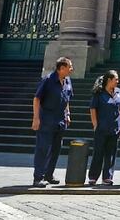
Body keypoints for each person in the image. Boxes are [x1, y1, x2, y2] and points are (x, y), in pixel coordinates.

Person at [31, 57, 74, 187]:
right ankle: (38, 177)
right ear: (62, 68)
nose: (71, 69)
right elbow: (37, 99)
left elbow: (67, 99)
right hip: (47, 119)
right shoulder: (48, 80)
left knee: (56, 149)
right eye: (69, 67)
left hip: (60, 120)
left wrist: (68, 113)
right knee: (43, 148)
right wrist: (36, 118)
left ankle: (49, 175)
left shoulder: (67, 81)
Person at [88, 70, 120, 186]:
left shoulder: (118, 91)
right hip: (102, 128)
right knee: (98, 152)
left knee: (111, 153)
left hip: (115, 128)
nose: (118, 81)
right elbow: (93, 109)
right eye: (116, 79)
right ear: (109, 80)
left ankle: (107, 177)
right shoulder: (99, 93)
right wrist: (95, 124)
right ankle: (93, 176)